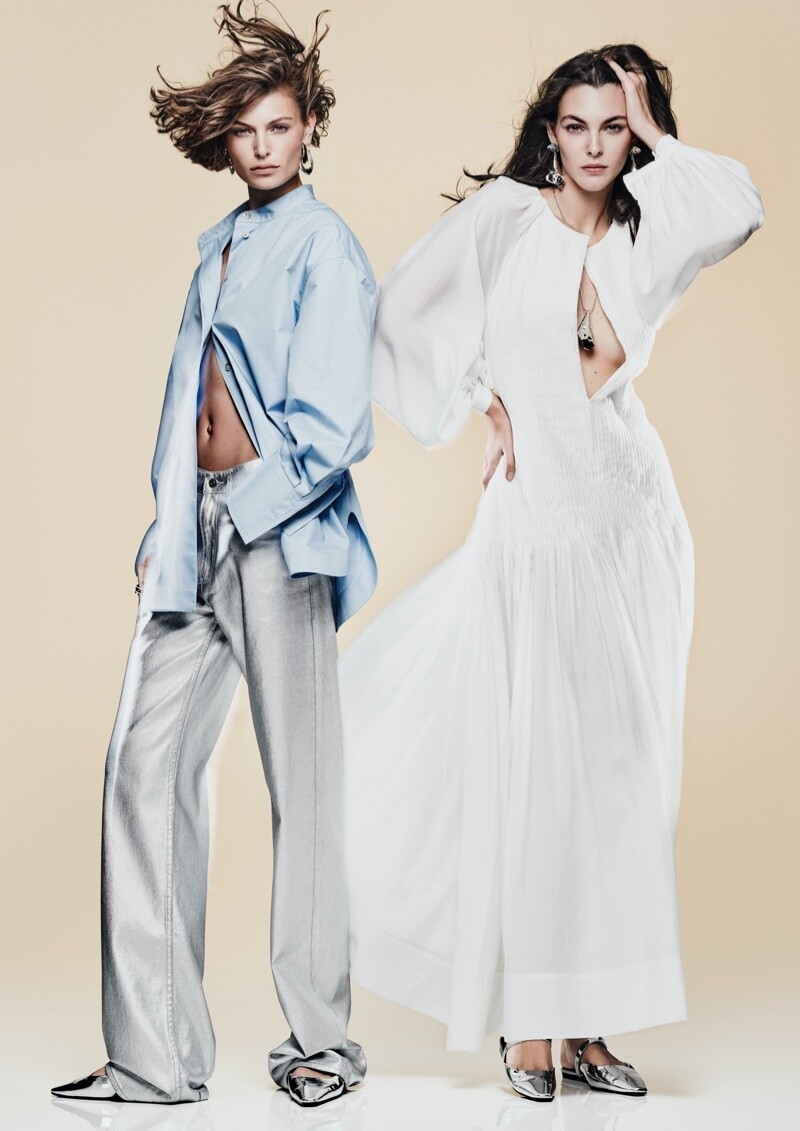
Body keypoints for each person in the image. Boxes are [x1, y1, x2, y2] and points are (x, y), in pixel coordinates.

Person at [339, 44, 763, 1102]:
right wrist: (477, 398)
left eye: (613, 126)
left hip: (629, 521)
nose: (592, 146)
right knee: (533, 771)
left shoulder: (650, 226)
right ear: (549, 130)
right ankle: (527, 1025)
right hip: (533, 522)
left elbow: (738, 207)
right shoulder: (504, 219)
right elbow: (395, 315)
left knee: (616, 782)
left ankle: (586, 1026)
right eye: (576, 124)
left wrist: (656, 131)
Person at [51, 3, 376, 1109]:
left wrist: (250, 512)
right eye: (246, 129)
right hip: (196, 529)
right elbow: (183, 396)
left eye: (281, 125)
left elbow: (335, 427)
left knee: (303, 790)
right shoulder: (220, 248)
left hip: (282, 533)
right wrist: (169, 519)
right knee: (142, 768)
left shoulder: (325, 246)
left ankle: (323, 1042)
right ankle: (153, 1056)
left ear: (309, 129)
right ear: (224, 142)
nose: (264, 145)